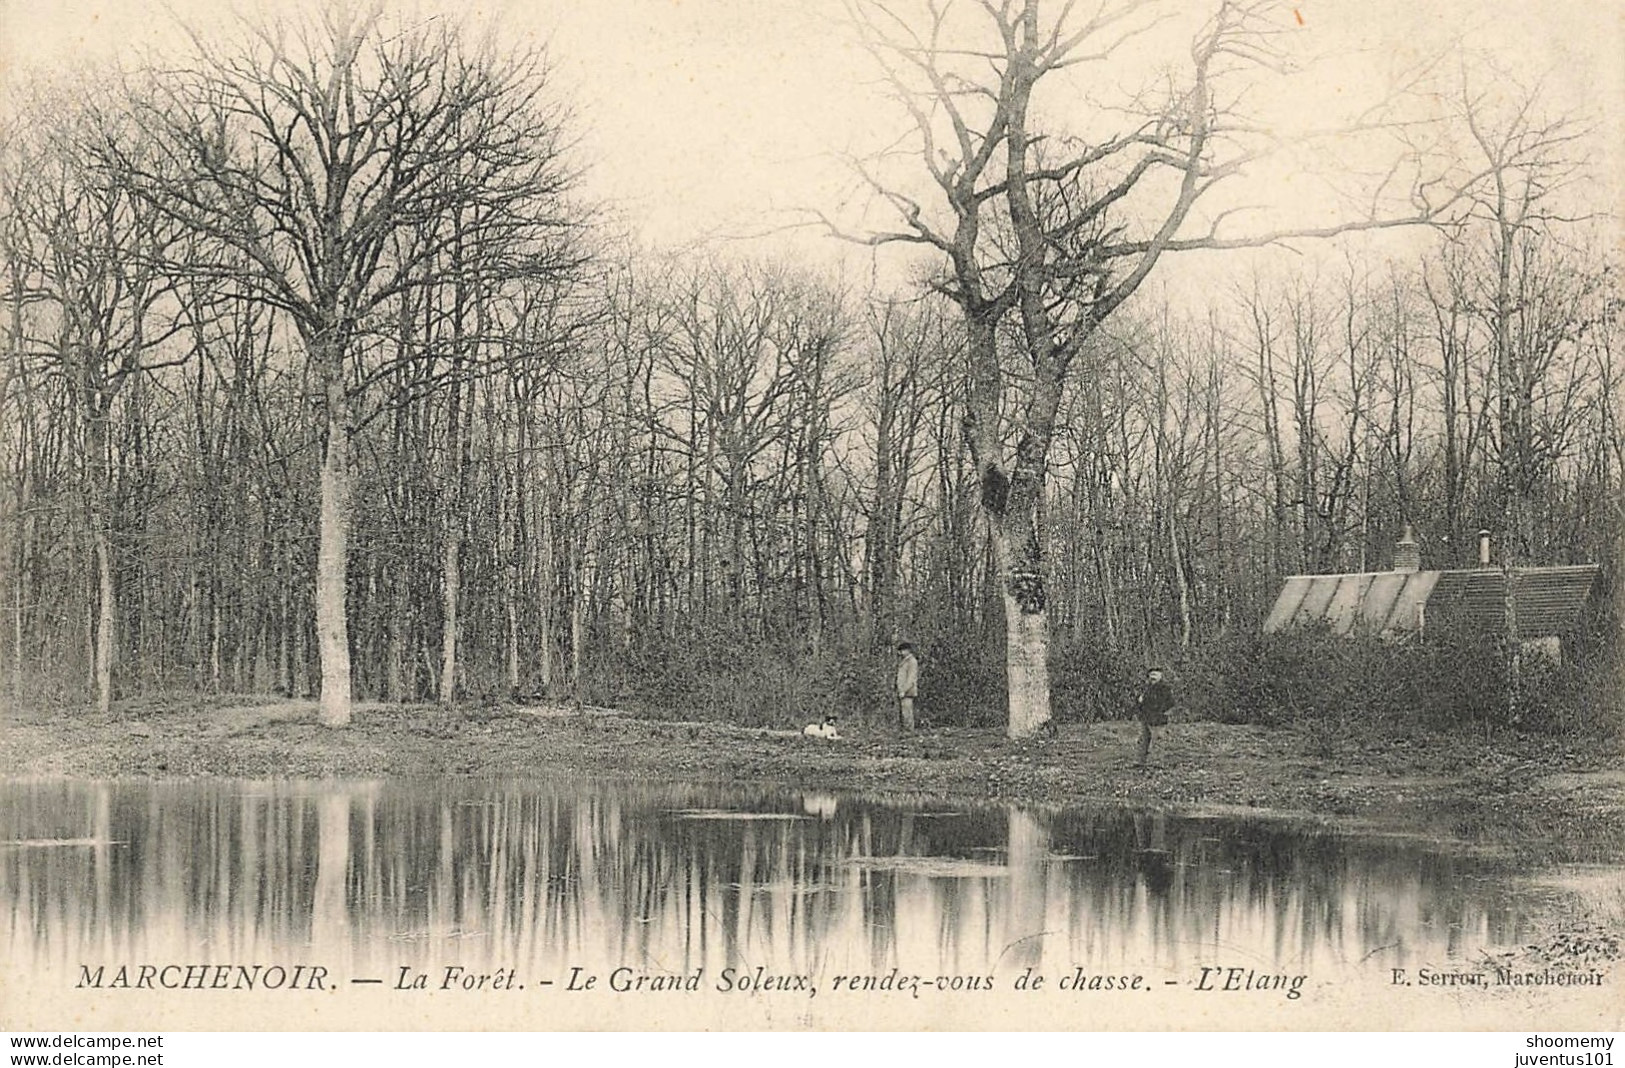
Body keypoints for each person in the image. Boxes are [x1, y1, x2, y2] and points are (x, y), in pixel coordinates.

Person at [1134, 667, 1173, 766]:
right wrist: (1140, 701)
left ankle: (1158, 762)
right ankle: (1141, 761)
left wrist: (1160, 711)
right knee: (1143, 740)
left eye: (1155, 675)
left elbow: (1170, 702)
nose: (1153, 677)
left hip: (1158, 718)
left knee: (1158, 740)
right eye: (1151, 675)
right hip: (1146, 717)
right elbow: (1141, 703)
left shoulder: (1165, 688)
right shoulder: (1147, 688)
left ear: (1161, 676)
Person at [895, 641, 919, 730]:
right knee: (904, 713)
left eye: (902, 650)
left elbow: (911, 678)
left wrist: (904, 690)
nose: (900, 653)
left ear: (908, 650)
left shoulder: (912, 661)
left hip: (908, 691)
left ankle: (909, 732)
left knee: (907, 713)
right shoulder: (905, 661)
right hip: (903, 691)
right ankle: (906, 731)